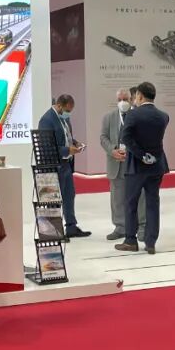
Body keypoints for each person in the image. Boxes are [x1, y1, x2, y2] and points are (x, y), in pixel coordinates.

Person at [116, 82, 169, 255]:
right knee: (153, 203)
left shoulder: (133, 115)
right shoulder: (163, 116)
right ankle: (151, 242)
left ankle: (131, 240)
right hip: (157, 166)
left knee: (131, 203)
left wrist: (141, 155)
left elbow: (126, 138)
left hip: (136, 167)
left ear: (139, 95)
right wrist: (149, 156)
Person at [38, 95, 89, 238]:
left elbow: (65, 137)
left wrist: (75, 142)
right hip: (52, 166)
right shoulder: (46, 120)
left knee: (69, 196)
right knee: (52, 200)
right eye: (67, 110)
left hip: (66, 165)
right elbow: (46, 147)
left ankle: (71, 227)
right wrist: (67, 150)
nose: (68, 113)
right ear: (59, 105)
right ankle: (52, 233)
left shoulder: (63, 118)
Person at [100, 88, 144, 241]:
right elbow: (103, 137)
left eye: (125, 99)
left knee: (139, 197)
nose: (122, 102)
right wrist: (112, 150)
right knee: (117, 199)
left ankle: (140, 227)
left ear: (131, 99)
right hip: (116, 163)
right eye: (120, 99)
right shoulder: (109, 117)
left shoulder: (137, 116)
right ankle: (120, 227)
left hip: (134, 163)